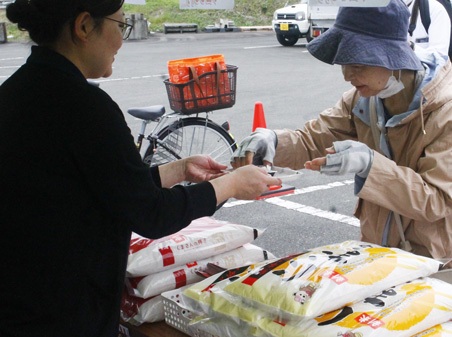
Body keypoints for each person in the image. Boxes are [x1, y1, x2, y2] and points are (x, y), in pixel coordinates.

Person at [0, 0, 280, 336]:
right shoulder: (84, 107)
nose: (122, 40)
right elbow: (150, 213)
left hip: (20, 297)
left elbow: (103, 185)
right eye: (120, 26)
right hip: (64, 309)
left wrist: (177, 170)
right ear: (84, 26)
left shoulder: (17, 91)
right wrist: (231, 185)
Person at [232, 0, 452, 272]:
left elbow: (437, 199)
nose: (347, 74)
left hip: (444, 263)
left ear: (393, 57)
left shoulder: (450, 111)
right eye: (343, 62)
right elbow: (312, 140)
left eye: (357, 62)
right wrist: (273, 141)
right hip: (384, 255)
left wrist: (370, 164)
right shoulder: (363, 99)